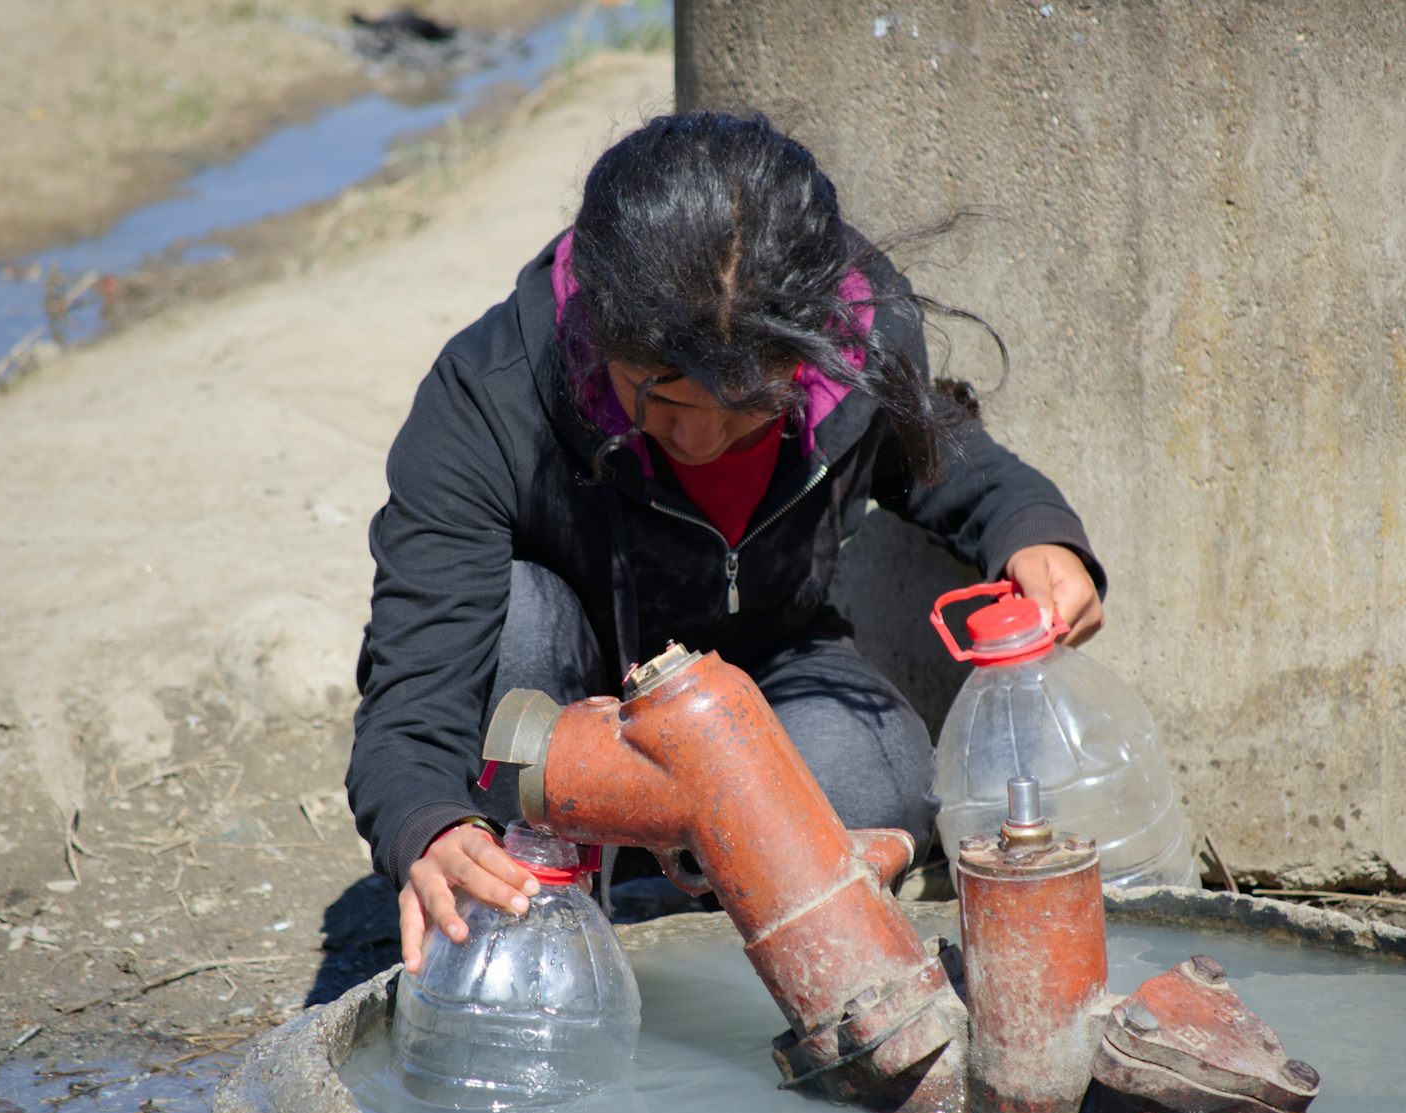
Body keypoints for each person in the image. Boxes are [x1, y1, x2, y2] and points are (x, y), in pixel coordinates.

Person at [347, 112, 1106, 972]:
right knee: (514, 619)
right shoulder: (490, 395)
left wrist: (1033, 532)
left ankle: (710, 918)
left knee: (871, 783)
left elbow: (942, 457)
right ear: (597, 333)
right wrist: (428, 823)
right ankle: (538, 919)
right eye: (657, 400)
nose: (700, 441)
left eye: (749, 408)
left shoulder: (858, 343)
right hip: (568, 710)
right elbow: (414, 697)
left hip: (763, 672)